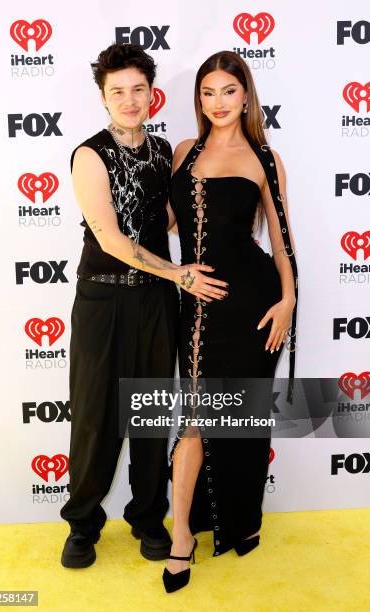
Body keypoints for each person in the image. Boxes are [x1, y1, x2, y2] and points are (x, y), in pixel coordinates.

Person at [59, 43, 228, 569]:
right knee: (94, 415)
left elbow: (170, 219)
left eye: (138, 89)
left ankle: (148, 516)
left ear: (152, 93)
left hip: (155, 300)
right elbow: (109, 237)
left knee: (152, 413)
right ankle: (83, 524)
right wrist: (178, 273)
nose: (129, 100)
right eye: (118, 92)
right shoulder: (89, 154)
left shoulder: (163, 151)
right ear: (103, 97)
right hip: (104, 297)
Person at [162, 50, 298, 592]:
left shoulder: (265, 157)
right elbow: (165, 222)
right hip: (198, 302)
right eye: (207, 92)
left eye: (228, 91)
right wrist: (175, 272)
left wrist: (287, 300)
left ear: (246, 95)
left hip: (255, 299)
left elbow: (282, 241)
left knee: (242, 418)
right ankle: (182, 539)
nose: (217, 102)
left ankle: (239, 521)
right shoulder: (181, 151)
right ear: (199, 99)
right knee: (197, 417)